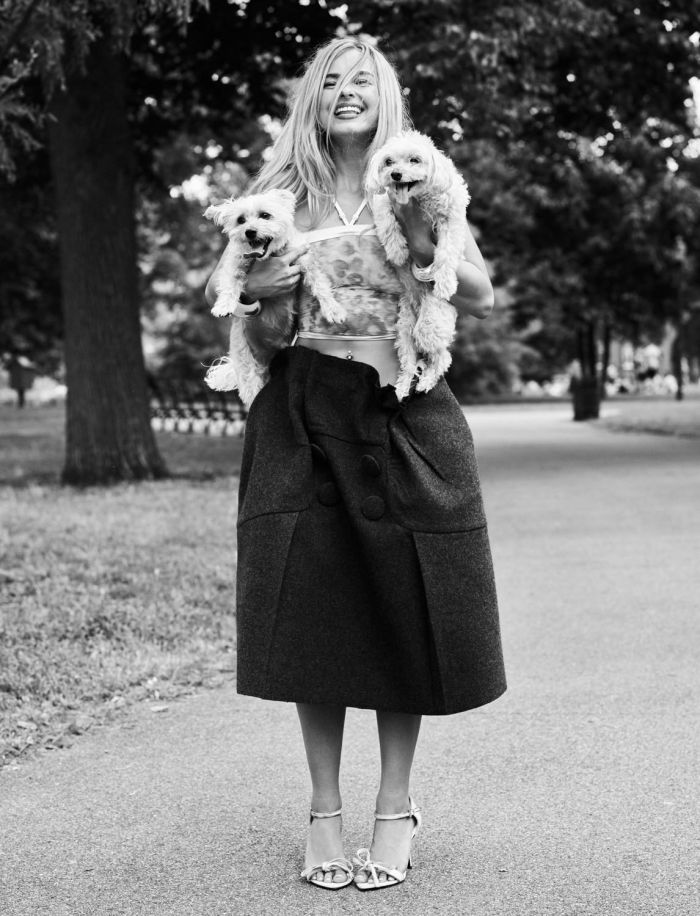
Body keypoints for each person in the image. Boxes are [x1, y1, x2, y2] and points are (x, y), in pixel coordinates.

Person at [205, 36, 506, 891]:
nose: (346, 92)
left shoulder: (416, 182)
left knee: (403, 603)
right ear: (313, 97)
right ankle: (323, 811)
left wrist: (419, 238)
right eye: (331, 80)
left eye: (361, 81)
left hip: (403, 408)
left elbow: (480, 291)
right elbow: (229, 293)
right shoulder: (282, 192)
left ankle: (396, 807)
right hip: (304, 413)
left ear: (385, 96)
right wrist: (262, 292)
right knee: (316, 610)